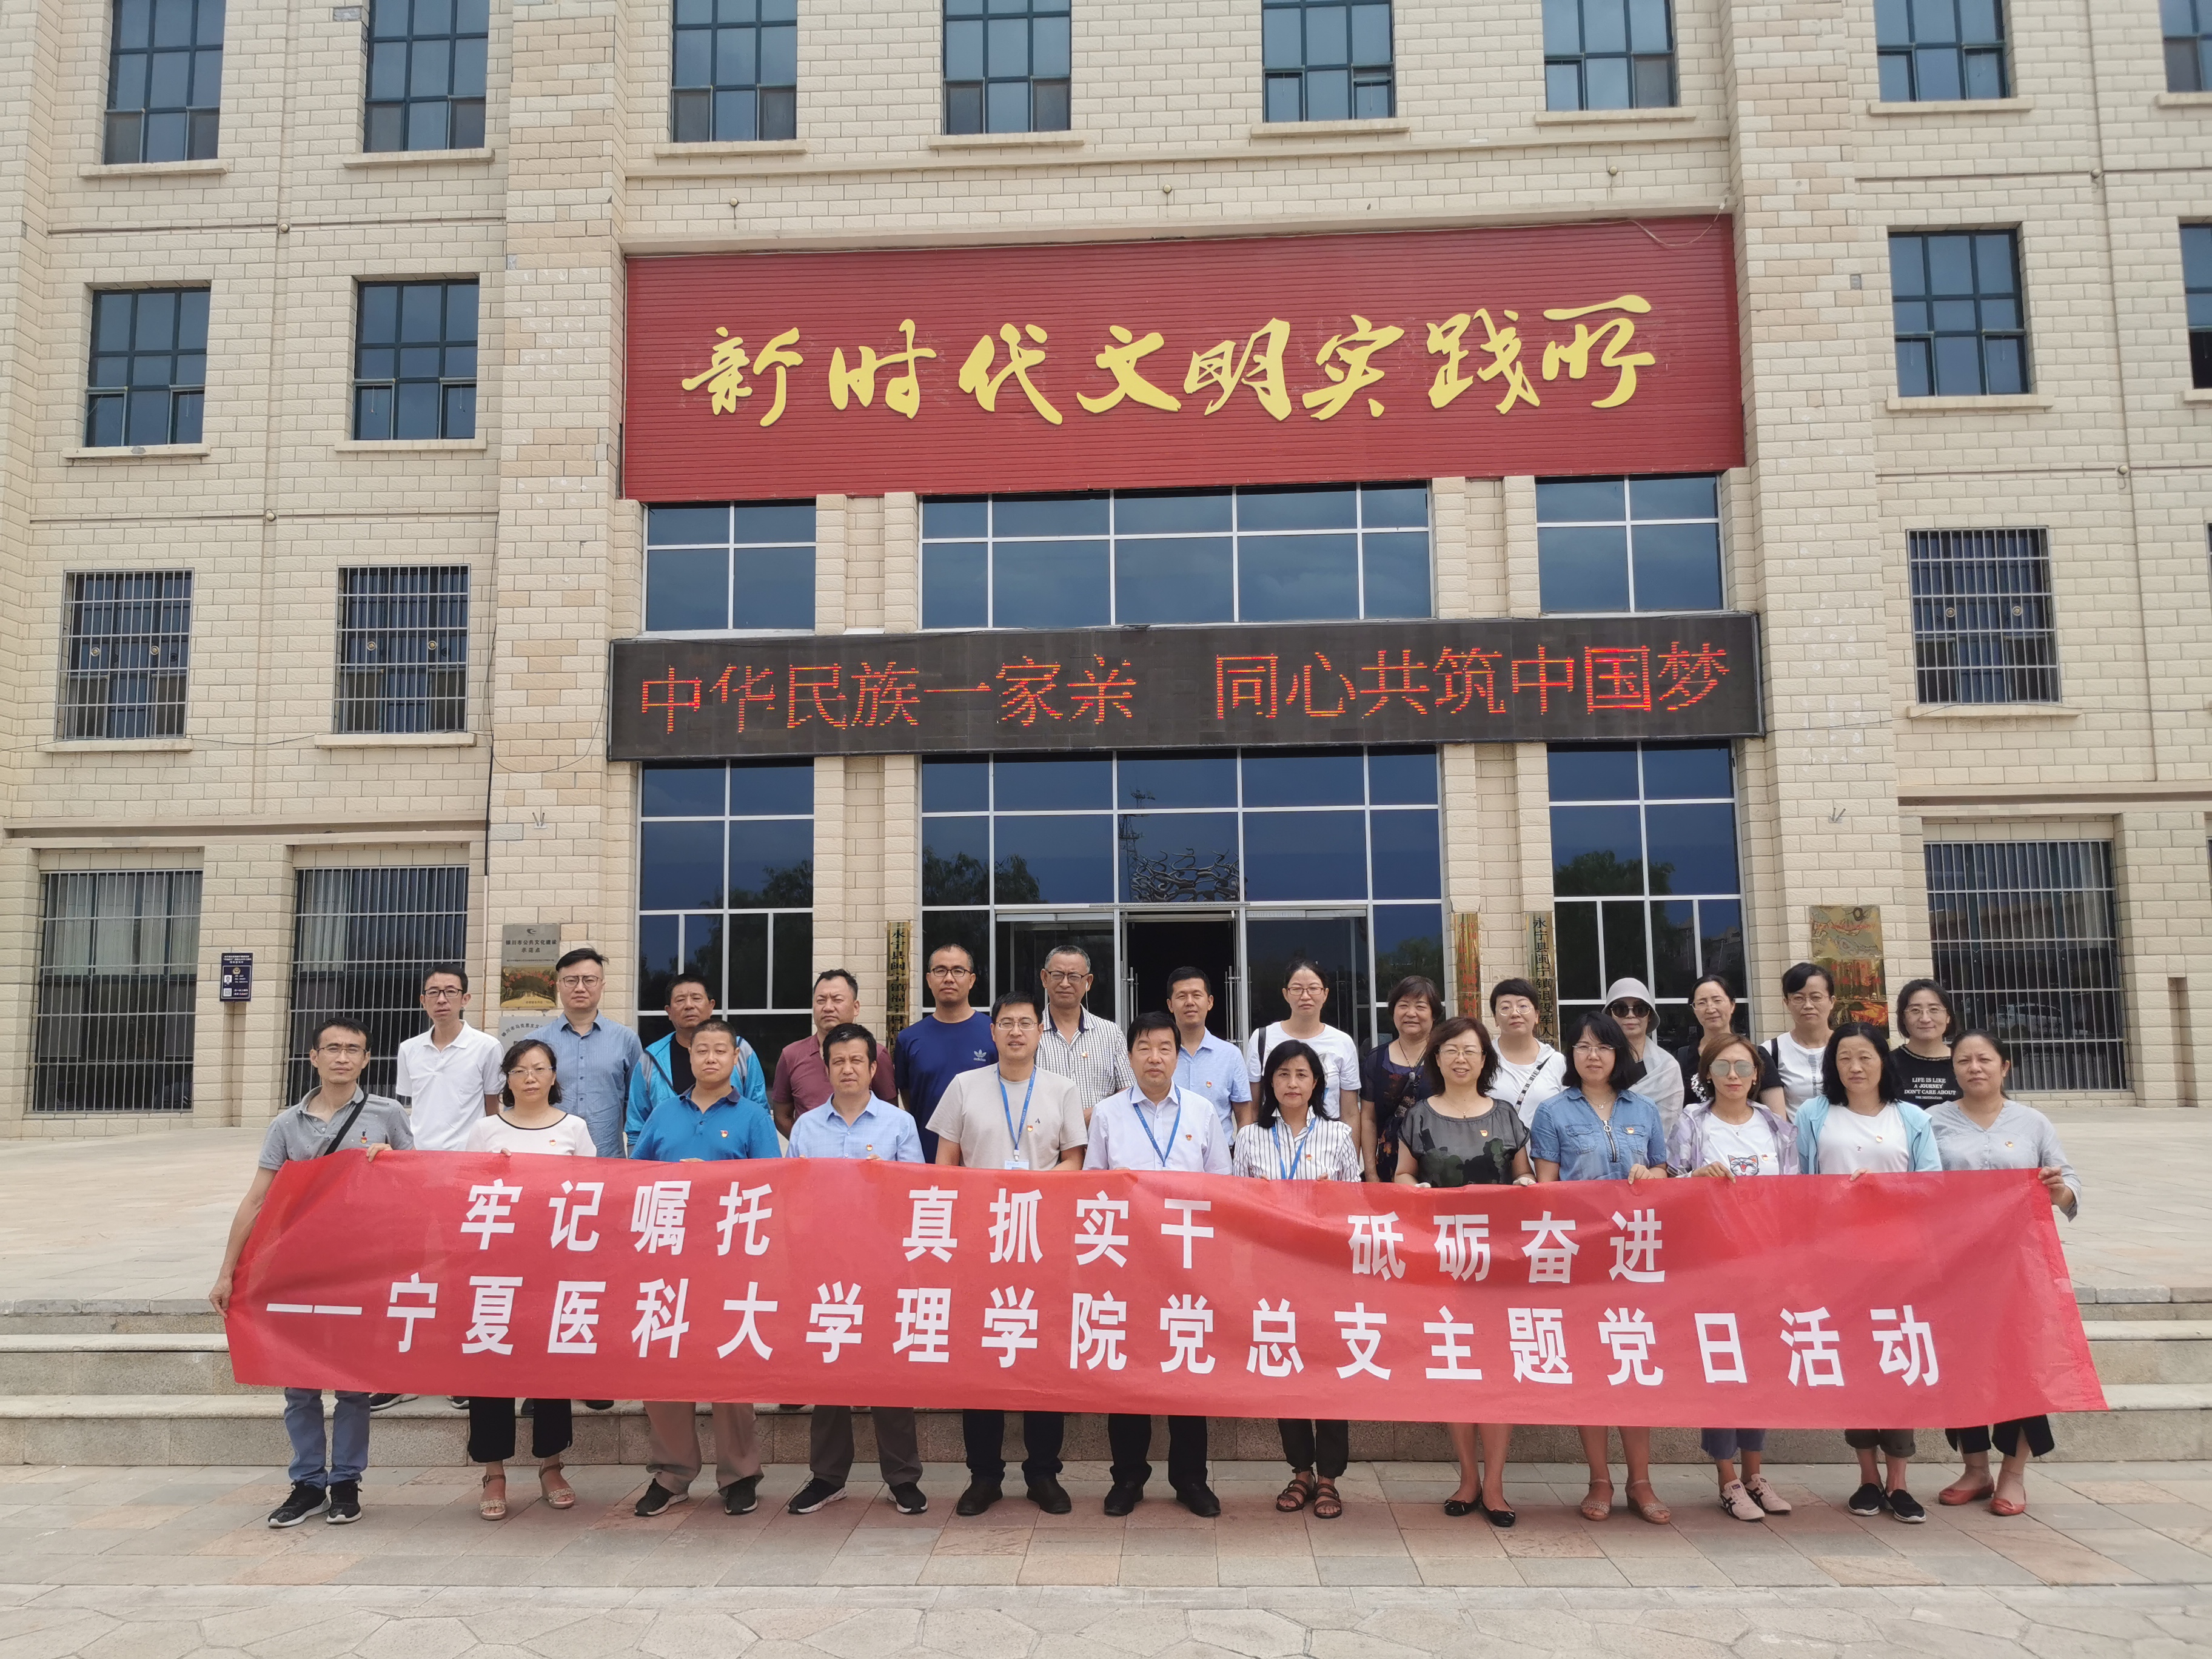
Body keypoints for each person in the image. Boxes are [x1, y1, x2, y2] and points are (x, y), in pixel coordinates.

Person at [209, 1017, 411, 1529]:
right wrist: (227, 1271)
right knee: (298, 1383)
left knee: (353, 1383)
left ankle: (346, 1481)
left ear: (367, 1060)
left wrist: (391, 1162)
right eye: (333, 1048)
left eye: (353, 1050)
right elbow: (258, 1198)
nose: (343, 1057)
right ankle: (307, 1483)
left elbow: (415, 1187)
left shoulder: (387, 1114)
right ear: (314, 1057)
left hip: (359, 1268)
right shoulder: (286, 1124)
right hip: (296, 1269)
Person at [929, 992, 1086, 1518]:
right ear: (992, 1031)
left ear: (1041, 1032)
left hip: (1043, 1243)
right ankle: (984, 1476)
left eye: (1025, 1023)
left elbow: (1075, 1161)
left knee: (1043, 1358)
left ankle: (1043, 1473)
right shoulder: (964, 1086)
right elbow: (946, 1163)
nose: (1016, 1031)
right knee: (983, 1359)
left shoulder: (1063, 1089)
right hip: (981, 1244)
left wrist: (1030, 1189)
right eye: (1006, 1023)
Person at [626, 1019, 780, 1517]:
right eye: (701, 1050)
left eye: (720, 1051)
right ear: (689, 1058)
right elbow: (635, 1181)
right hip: (668, 1259)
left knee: (729, 1365)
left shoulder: (754, 1117)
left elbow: (771, 1187)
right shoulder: (664, 1113)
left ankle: (740, 1473)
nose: (710, 1058)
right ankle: (671, 1474)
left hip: (729, 1260)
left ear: (736, 1059)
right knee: (665, 1365)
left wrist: (712, 1181)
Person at [1795, 1020, 1942, 1524]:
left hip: (1900, 1261)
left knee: (1897, 1360)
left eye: (1865, 1057)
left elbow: (1933, 1186)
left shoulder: (1911, 1118)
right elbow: (1802, 1185)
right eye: (1844, 1058)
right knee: (1857, 1365)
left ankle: (1899, 1481)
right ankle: (1866, 1477)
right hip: (1838, 1262)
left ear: (1884, 1061)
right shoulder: (1815, 1114)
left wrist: (1886, 1187)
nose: (1855, 1067)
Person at [1530, 1010, 1673, 1526]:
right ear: (1571, 1054)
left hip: (1635, 1257)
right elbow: (1546, 1188)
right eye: (1584, 1046)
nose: (1593, 1055)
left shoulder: (1645, 1109)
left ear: (1620, 1055)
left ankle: (1641, 1481)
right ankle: (1599, 1479)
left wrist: (1652, 1175)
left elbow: (1663, 1169)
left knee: (1633, 1366)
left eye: (1604, 1046)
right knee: (1592, 1369)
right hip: (1580, 1261)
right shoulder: (1552, 1112)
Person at [1087, 1011, 1232, 1517]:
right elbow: (1094, 1189)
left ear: (1177, 1055)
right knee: (1127, 1373)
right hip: (1125, 1265)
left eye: (1165, 1048)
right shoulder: (1107, 1114)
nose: (1155, 1058)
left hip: (1187, 1268)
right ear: (1129, 1057)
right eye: (1144, 1048)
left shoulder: (1201, 1112)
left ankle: (1191, 1479)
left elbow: (1221, 1188)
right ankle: (1127, 1478)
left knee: (1186, 1369)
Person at [1929, 1030, 2080, 1517]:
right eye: (1964, 1061)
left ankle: (2013, 1474)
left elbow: (2069, 1184)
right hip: (1957, 1267)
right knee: (1964, 1364)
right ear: (1953, 1069)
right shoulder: (1933, 1121)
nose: (1974, 1068)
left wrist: (2057, 1189)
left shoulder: (2032, 1122)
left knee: (2020, 1365)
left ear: (2005, 1066)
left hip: (2019, 1266)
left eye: (1984, 1059)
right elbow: (1918, 1185)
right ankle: (1975, 1469)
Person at [785, 1023, 929, 1517]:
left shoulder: (898, 1124)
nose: (847, 1069)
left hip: (884, 1265)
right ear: (826, 1069)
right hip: (825, 1266)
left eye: (856, 1061)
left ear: (873, 1068)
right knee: (829, 1370)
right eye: (838, 1061)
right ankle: (828, 1477)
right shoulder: (807, 1128)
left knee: (889, 1373)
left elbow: (917, 1197)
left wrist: (883, 1180)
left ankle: (903, 1477)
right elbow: (793, 1199)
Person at [1392, 1015, 1529, 1527]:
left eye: (1470, 1050)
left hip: (1500, 1265)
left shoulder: (1508, 1115)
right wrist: (1415, 1191)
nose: (1460, 1059)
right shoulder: (1419, 1116)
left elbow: (1524, 1175)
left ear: (1485, 1058)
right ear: (1437, 1058)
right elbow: (1402, 1175)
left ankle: (1495, 1485)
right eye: (1450, 1050)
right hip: (1443, 1263)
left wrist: (1526, 1188)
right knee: (1457, 1369)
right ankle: (1468, 1477)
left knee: (1496, 1372)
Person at [460, 1039, 595, 1520]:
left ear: (554, 1076)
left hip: (554, 1267)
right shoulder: (486, 1129)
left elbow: (594, 1193)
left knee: (550, 1365)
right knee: (490, 1359)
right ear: (507, 1079)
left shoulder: (574, 1128)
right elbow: (464, 1191)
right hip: (496, 1266)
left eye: (539, 1068)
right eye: (519, 1070)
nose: (530, 1077)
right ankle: (493, 1471)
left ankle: (551, 1465)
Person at [1672, 1031, 1798, 1524]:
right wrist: (1694, 1180)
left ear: (1756, 1075)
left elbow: (1795, 1195)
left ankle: (1755, 1473)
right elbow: (1670, 1184)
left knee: (1760, 1369)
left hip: (1765, 1266)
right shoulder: (1692, 1122)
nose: (1733, 1076)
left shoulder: (1776, 1127)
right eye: (1722, 1066)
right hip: (1711, 1266)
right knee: (1723, 1366)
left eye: (1743, 1067)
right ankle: (1727, 1478)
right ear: (1706, 1073)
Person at [1234, 1039, 1361, 1520]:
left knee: (1328, 1371)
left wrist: (1332, 1200)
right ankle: (1300, 1471)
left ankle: (1329, 1477)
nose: (1292, 1083)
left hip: (1326, 1273)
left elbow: (1357, 1206)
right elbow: (1236, 1208)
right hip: (1270, 1272)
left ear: (1317, 1084)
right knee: (1285, 1364)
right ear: (1270, 1082)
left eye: (1302, 1075)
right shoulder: (1250, 1137)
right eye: (1283, 1074)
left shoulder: (1338, 1135)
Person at [629, 973, 766, 1147]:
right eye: (680, 1000)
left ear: (711, 1006)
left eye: (696, 998)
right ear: (669, 1012)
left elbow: (759, 1112)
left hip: (731, 1159)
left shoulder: (741, 1051)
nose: (689, 1005)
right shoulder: (650, 1059)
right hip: (667, 1161)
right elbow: (637, 1127)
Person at [531, 948, 642, 1159]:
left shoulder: (626, 1040)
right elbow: (520, 1102)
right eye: (571, 980)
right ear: (558, 986)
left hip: (608, 1158)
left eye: (589, 980)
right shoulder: (535, 1042)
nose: (580, 988)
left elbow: (637, 1105)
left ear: (602, 985)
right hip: (549, 1156)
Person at [893, 942, 996, 1161]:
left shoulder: (993, 1033)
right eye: (940, 970)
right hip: (926, 1156)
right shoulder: (908, 1039)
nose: (949, 978)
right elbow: (909, 1095)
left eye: (958, 971)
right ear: (929, 980)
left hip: (982, 1157)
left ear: (972, 980)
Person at [770, 968, 895, 1135]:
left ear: (856, 1007)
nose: (828, 1008)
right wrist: (806, 1142)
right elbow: (782, 1116)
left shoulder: (876, 1054)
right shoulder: (791, 1055)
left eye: (837, 1000)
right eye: (821, 1001)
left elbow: (890, 1113)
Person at [393, 964, 504, 1151]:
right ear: (423, 1000)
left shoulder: (487, 1047)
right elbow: (415, 1102)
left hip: (468, 1153)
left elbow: (492, 1107)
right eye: (433, 992)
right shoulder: (408, 1049)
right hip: (419, 1153)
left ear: (465, 999)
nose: (441, 1000)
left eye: (451, 992)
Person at [1239, 959, 1358, 1129]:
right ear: (1286, 994)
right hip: (1273, 1139)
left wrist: (1349, 1147)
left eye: (1313, 989)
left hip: (1327, 1140)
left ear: (1325, 994)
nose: (1305, 996)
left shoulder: (1342, 1042)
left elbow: (1350, 1113)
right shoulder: (1262, 1038)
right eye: (1297, 989)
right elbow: (1252, 1108)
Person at [1360, 975, 1441, 1184]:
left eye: (1420, 1007)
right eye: (1403, 1005)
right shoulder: (1376, 1060)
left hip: (1440, 1164)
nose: (1411, 1013)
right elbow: (1368, 1119)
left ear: (1434, 1014)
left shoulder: (1445, 1057)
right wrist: (1371, 1173)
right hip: (1388, 1165)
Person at [1034, 944, 1134, 1112]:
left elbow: (1128, 1090)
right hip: (1045, 1128)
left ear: (1088, 982)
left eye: (1074, 977)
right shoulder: (1030, 1033)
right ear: (1045, 978)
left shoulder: (1111, 1033)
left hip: (1099, 1128)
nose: (1065, 984)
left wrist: (1092, 1116)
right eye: (1057, 975)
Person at [1674, 974, 1784, 1113]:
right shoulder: (1682, 1058)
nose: (1711, 1009)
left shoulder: (1757, 1055)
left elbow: (1778, 1116)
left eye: (1717, 1000)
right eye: (1702, 1003)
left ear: (1732, 1005)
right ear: (1694, 1010)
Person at [1165, 965, 1250, 1139]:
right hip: (1168, 1153)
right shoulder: (1159, 1056)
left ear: (1210, 1002)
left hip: (1220, 1153)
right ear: (1170, 1005)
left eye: (1197, 995)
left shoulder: (1231, 1055)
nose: (1190, 1002)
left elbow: (1244, 1117)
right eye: (1182, 996)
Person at [1603, 976, 1685, 1139]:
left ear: (1650, 1016)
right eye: (1621, 1009)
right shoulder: (1596, 1061)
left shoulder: (1667, 1067)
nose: (1631, 1015)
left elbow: (1668, 1127)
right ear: (1610, 1015)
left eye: (1640, 1009)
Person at [1487, 978, 1567, 1125]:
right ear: (1495, 1019)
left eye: (1523, 1006)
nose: (1515, 1013)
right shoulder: (1484, 1059)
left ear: (1537, 1015)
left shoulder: (1557, 1061)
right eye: (1505, 1008)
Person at [1766, 962, 1835, 1114]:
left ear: (1832, 1001)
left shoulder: (1846, 1046)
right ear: (1787, 1003)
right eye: (1798, 998)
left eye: (1816, 997)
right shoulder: (1771, 1051)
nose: (1808, 1005)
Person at [1892, 979, 1963, 1110]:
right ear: (1903, 1018)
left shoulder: (1965, 1062)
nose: (1925, 1019)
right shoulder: (1887, 1064)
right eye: (1915, 1010)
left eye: (1934, 1009)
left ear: (1948, 1016)